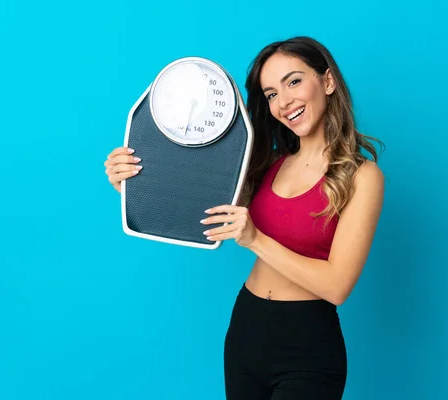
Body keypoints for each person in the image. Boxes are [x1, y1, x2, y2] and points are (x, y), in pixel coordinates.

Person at [104, 36, 385, 400]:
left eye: (294, 81)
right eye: (270, 94)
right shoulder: (268, 164)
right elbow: (193, 209)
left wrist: (255, 239)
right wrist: (129, 181)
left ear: (327, 81)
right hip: (247, 329)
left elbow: (337, 286)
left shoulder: (362, 176)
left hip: (307, 346)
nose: (284, 102)